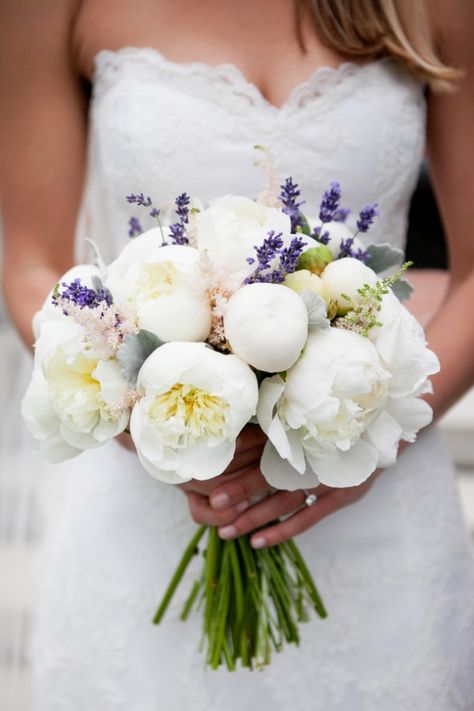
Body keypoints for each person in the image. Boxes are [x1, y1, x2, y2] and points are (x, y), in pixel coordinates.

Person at [1, 0, 473, 708]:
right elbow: (31, 263)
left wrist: (376, 437)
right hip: (148, 507)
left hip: (380, 498)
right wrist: (148, 415)